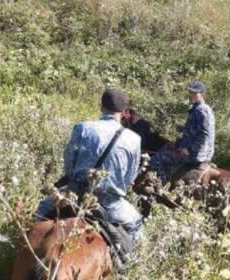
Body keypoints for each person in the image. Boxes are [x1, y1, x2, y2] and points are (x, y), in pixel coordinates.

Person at [35, 88, 144, 263]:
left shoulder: (83, 128)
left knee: (41, 210)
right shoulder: (134, 139)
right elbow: (130, 178)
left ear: (101, 107)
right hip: (110, 204)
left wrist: (75, 179)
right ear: (124, 113)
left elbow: (69, 160)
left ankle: (25, 246)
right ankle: (132, 266)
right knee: (136, 225)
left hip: (75, 194)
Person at [155, 80, 216, 183]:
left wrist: (190, 150)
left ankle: (161, 185)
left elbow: (204, 135)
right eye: (190, 92)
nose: (191, 95)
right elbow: (196, 129)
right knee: (166, 146)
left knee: (158, 157)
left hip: (196, 155)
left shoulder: (202, 111)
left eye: (194, 93)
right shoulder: (198, 109)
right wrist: (182, 128)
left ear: (202, 94)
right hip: (196, 151)